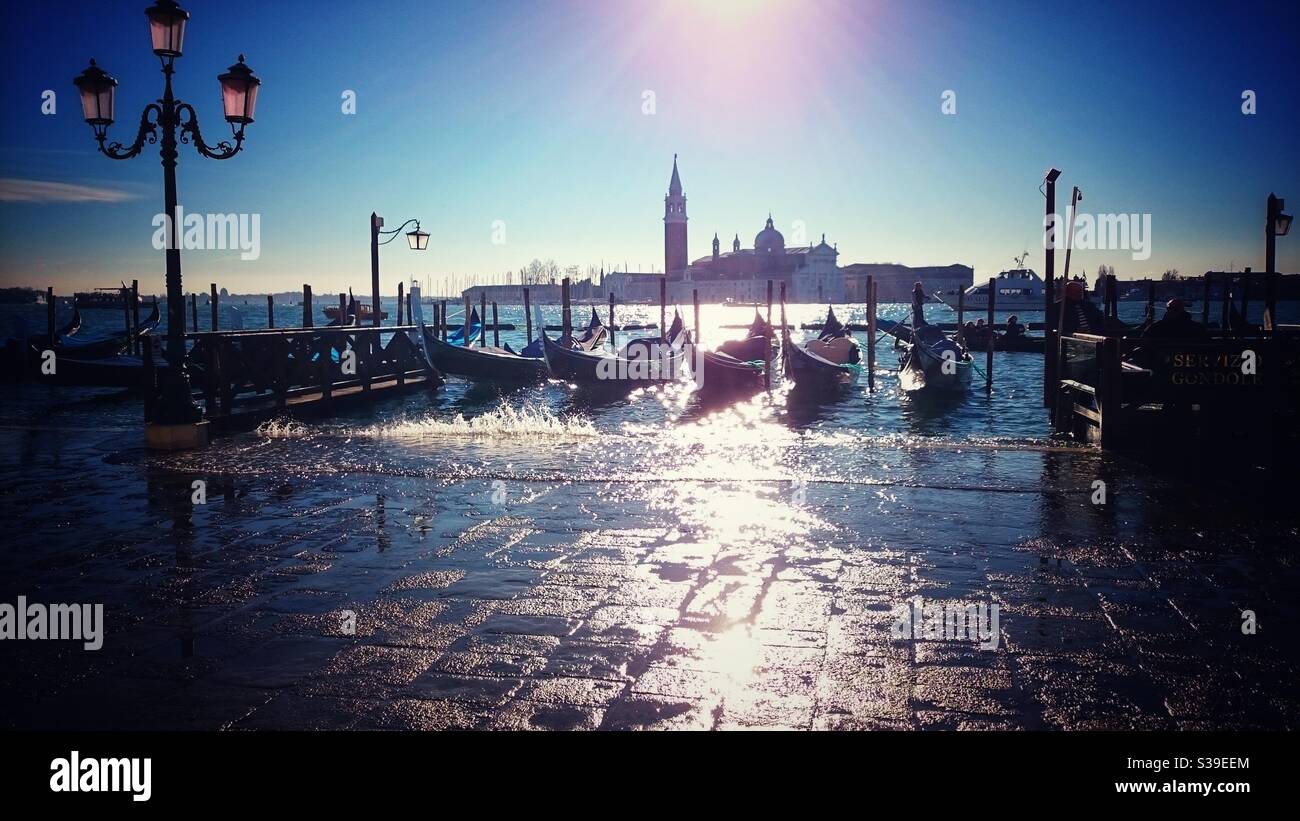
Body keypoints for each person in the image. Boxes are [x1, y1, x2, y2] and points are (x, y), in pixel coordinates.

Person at [1140, 298, 1207, 339]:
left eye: (1170, 309)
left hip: (1160, 359)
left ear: (1167, 310)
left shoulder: (1156, 327)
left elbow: (1143, 340)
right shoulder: (1198, 328)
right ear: (1182, 309)